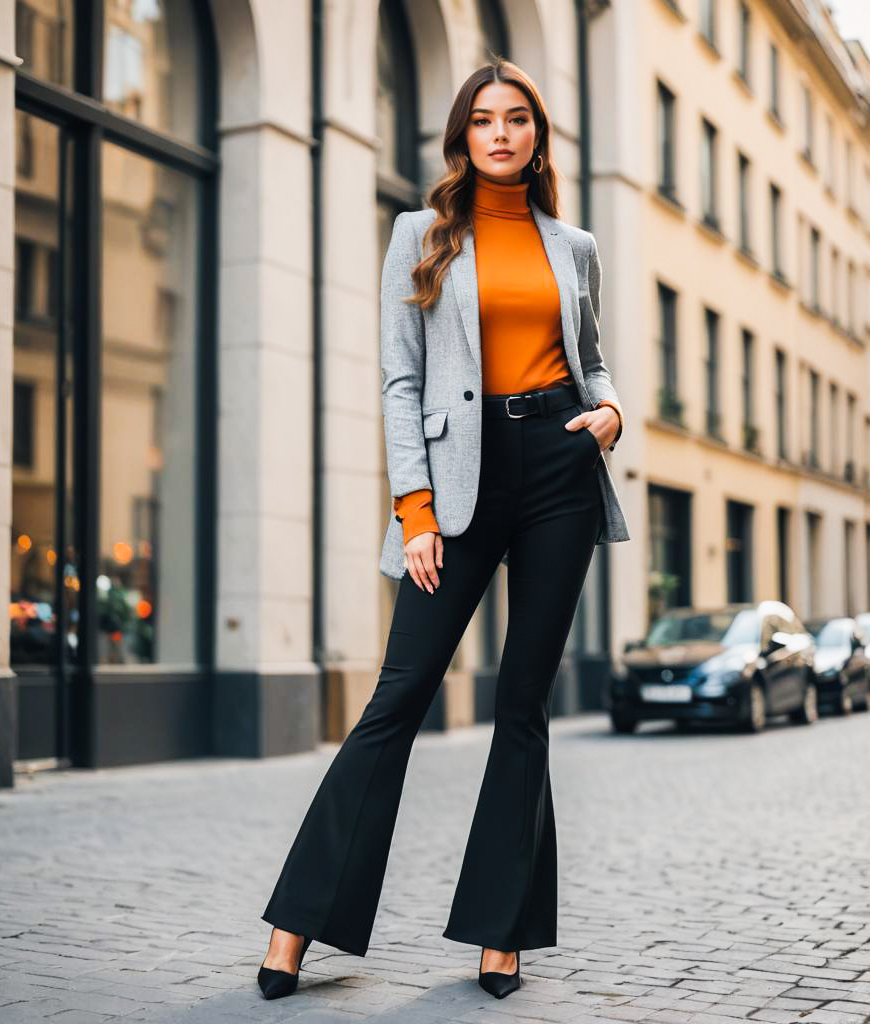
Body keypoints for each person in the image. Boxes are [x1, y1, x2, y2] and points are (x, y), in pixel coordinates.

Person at [257, 57, 630, 1002]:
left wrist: (612, 414)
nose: (500, 133)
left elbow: (592, 361)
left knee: (522, 706)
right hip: (457, 485)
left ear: (537, 136)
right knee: (398, 697)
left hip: (557, 468)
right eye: (483, 120)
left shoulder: (574, 245)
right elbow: (399, 379)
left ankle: (500, 935)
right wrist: (413, 511)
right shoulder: (419, 235)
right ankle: (298, 921)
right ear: (462, 136)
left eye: (517, 119)